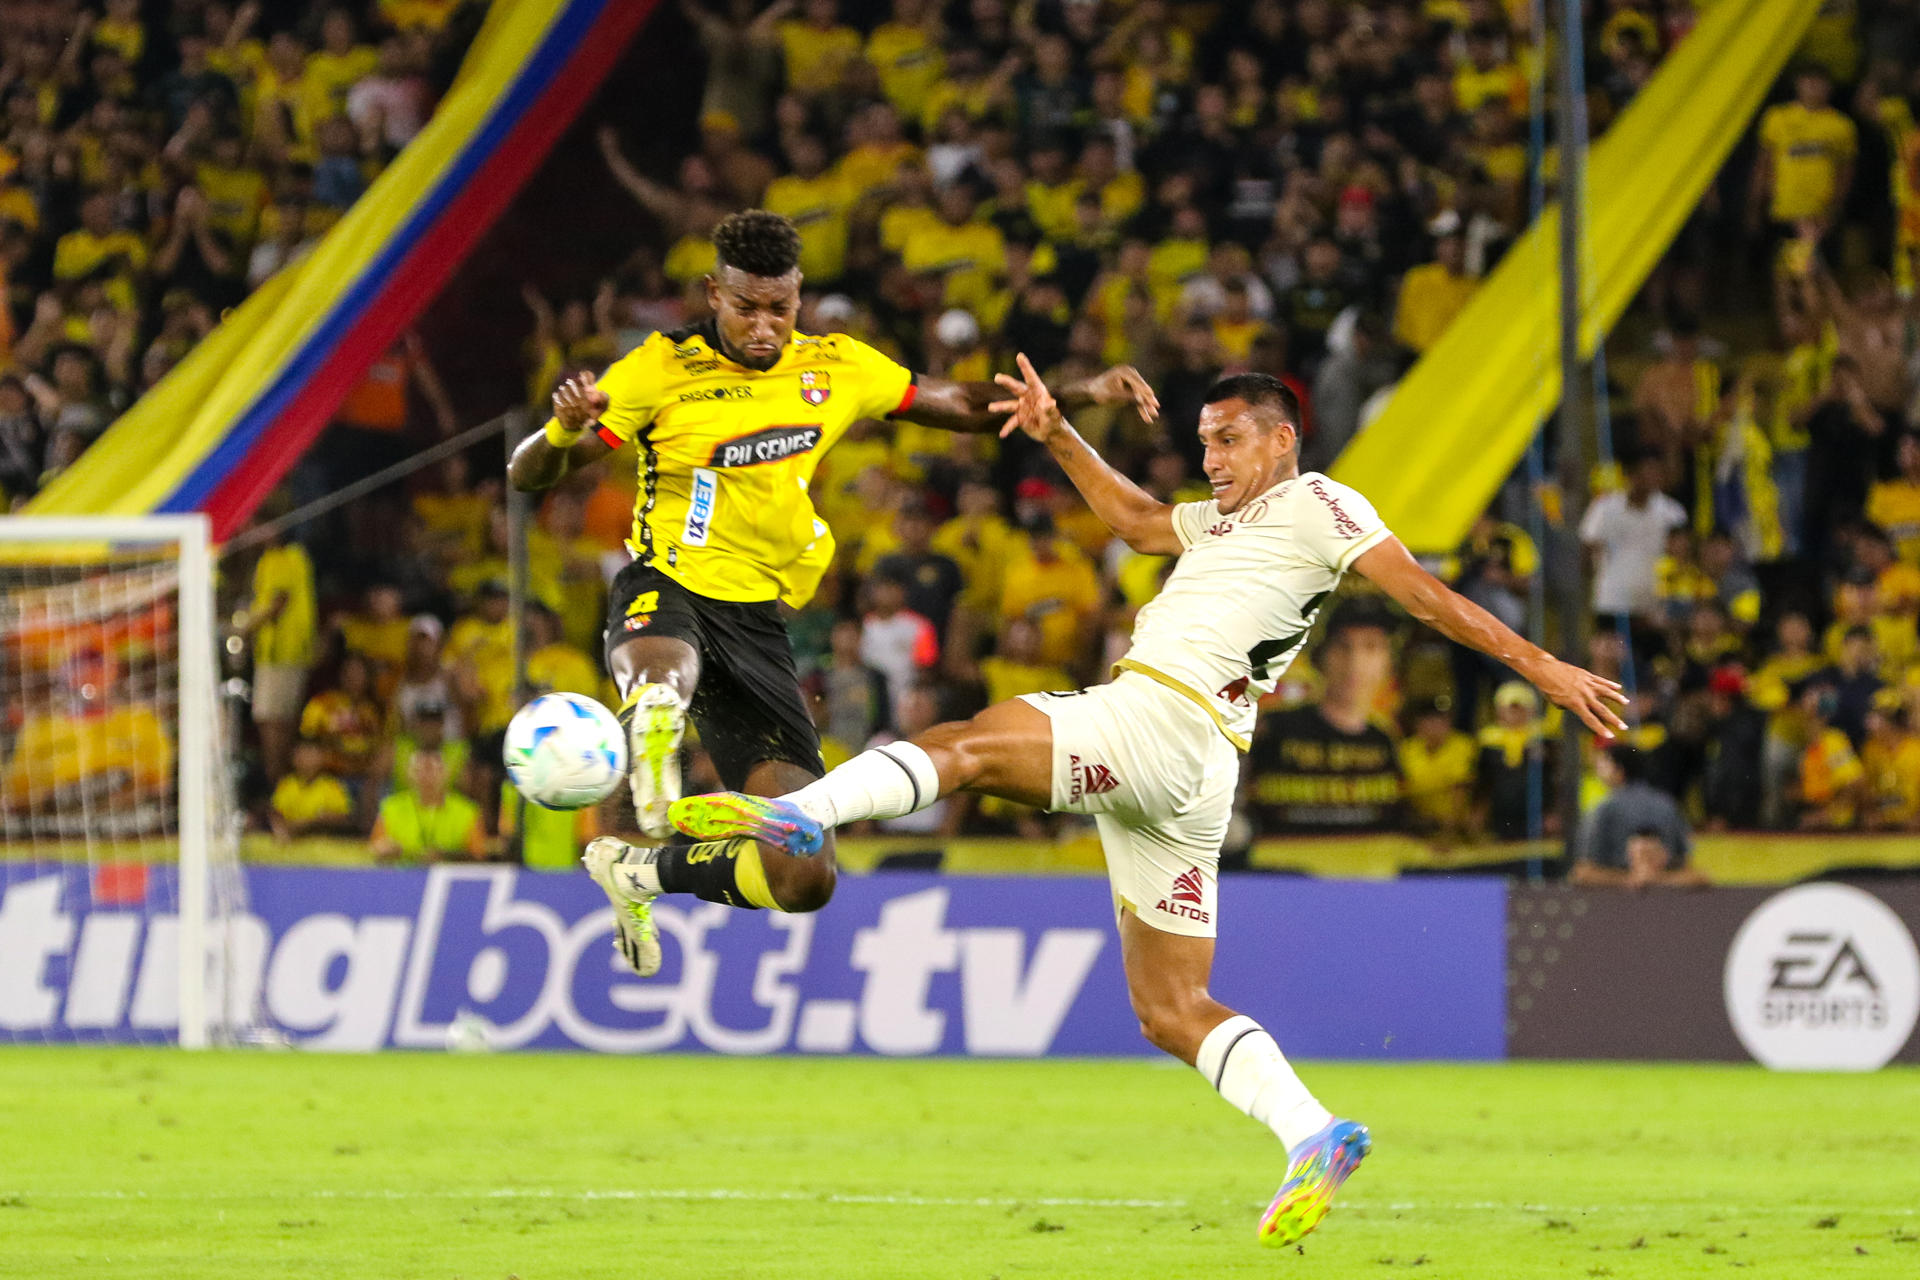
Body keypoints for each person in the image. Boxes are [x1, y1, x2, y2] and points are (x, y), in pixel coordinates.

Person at [628, 364, 1626, 1248]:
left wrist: (1542, 666)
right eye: (1204, 442)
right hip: (1198, 769)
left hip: (1159, 717)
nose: (1212, 458)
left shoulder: (1321, 502)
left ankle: (806, 812)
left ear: (1282, 438)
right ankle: (1313, 1132)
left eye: (1228, 439)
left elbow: (1422, 594)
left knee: (963, 744)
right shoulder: (1223, 521)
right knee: (1170, 1008)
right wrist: (1059, 431)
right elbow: (1142, 522)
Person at [507, 209, 1156, 973]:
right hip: (666, 583)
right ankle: (655, 724)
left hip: (757, 624)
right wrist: (562, 430)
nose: (762, 327)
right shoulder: (658, 368)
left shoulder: (835, 367)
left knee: (804, 871)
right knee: (661, 678)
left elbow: (958, 403)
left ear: (799, 298)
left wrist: (1081, 390)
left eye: (778, 309)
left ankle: (641, 870)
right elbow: (528, 473)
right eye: (745, 307)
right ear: (713, 293)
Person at [1570, 747, 1709, 889]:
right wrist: (1660, 879)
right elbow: (1687, 864)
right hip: (1667, 894)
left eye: (1603, 764)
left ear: (1619, 770)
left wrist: (1632, 879)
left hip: (1615, 895)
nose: (1597, 770)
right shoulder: (1667, 805)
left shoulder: (1604, 809)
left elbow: (1583, 872)